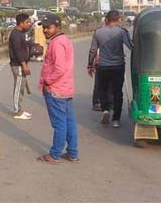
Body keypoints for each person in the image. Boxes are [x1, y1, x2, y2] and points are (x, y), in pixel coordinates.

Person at [37, 14, 79, 164]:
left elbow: (59, 68)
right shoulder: (64, 41)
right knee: (69, 121)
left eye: (48, 27)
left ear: (58, 28)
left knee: (60, 123)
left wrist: (47, 82)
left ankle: (55, 154)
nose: (45, 30)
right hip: (65, 88)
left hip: (56, 89)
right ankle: (72, 153)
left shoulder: (56, 43)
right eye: (44, 27)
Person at [87, 10, 133, 128]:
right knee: (117, 91)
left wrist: (89, 64)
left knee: (103, 89)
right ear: (118, 20)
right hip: (118, 65)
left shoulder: (98, 32)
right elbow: (130, 46)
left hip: (103, 66)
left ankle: (105, 110)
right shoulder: (122, 32)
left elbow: (93, 50)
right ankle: (116, 119)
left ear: (106, 20)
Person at [8, 13, 33, 120]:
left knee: (21, 86)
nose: (29, 24)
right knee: (18, 87)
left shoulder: (21, 33)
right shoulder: (16, 35)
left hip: (21, 64)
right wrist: (24, 65)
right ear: (21, 23)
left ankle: (19, 108)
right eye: (27, 22)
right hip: (17, 64)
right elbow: (18, 51)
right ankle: (17, 111)